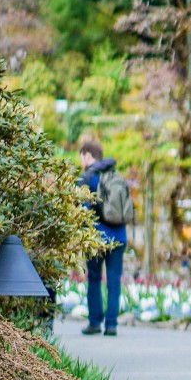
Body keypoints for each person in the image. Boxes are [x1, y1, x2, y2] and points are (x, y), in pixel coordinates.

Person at [76, 139, 130, 337]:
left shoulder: (89, 178)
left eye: (81, 156)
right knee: (114, 280)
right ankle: (112, 324)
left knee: (95, 278)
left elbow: (82, 210)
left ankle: (94, 322)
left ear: (88, 156)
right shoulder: (117, 176)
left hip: (97, 237)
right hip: (119, 237)